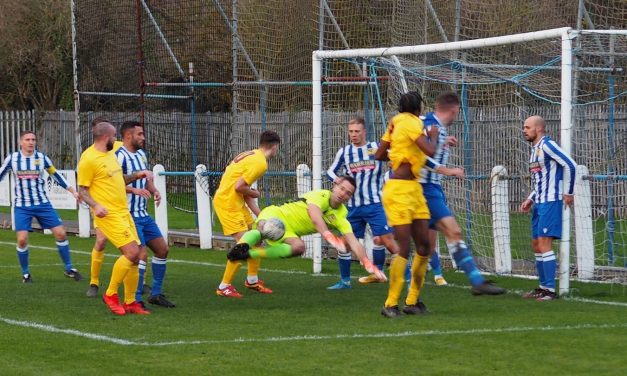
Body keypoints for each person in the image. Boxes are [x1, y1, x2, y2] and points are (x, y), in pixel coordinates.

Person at [415, 91, 506, 295]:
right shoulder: (429, 125)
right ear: (455, 110)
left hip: (430, 189)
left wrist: (444, 143)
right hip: (424, 189)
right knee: (451, 232)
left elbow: (430, 147)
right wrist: (450, 170)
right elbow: (419, 157)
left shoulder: (436, 127)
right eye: (458, 112)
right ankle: (476, 280)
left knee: (428, 244)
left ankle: (474, 281)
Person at [226, 176, 386, 284]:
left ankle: (248, 254)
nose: (343, 194)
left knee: (299, 247)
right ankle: (241, 247)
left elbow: (354, 243)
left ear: (350, 197)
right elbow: (315, 215)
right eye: (342, 188)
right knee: (265, 228)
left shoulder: (342, 215)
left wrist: (369, 265)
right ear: (335, 185)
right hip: (276, 213)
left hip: (289, 231)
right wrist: (329, 236)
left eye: (348, 193)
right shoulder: (321, 195)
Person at [88, 121, 175, 308]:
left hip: (142, 212)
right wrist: (134, 188)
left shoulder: (141, 155)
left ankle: (156, 294)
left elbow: (145, 178)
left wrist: (153, 190)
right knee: (139, 253)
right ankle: (134, 298)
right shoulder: (118, 156)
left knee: (162, 249)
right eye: (140, 134)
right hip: (127, 212)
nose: (143, 138)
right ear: (129, 135)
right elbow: (115, 183)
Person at [374, 91, 439, 318]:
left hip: (414, 189)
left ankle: (412, 301)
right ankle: (390, 304)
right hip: (398, 191)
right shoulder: (412, 123)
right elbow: (430, 150)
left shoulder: (395, 122)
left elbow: (380, 153)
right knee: (405, 246)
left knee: (424, 245)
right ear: (418, 108)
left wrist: (398, 152)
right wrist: (433, 135)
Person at [77, 121, 152, 315]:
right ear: (105, 138)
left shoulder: (111, 153)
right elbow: (82, 191)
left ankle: (130, 301)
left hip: (124, 211)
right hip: (108, 215)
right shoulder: (88, 159)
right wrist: (96, 205)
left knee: (136, 257)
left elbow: (120, 179)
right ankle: (110, 294)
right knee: (132, 253)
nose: (116, 139)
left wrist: (138, 175)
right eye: (113, 136)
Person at [0, 130, 83, 283]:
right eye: (27, 139)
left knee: (61, 234)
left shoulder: (41, 158)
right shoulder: (12, 159)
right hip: (22, 206)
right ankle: (26, 274)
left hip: (42, 204)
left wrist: (73, 191)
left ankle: (69, 268)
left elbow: (55, 175)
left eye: (33, 139)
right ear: (21, 142)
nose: (31, 142)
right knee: (22, 240)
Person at [325, 117, 395, 289]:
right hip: (352, 207)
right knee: (345, 244)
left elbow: (394, 160)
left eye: (357, 131)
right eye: (351, 131)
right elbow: (330, 171)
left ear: (364, 132)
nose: (353, 135)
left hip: (375, 204)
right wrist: (339, 180)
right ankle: (345, 281)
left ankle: (386, 273)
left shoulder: (376, 148)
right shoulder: (345, 152)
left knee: (384, 239)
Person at [214, 130, 281, 298]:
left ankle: (252, 280)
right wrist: (254, 193)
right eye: (277, 148)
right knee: (243, 246)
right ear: (274, 147)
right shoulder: (260, 163)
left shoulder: (252, 154)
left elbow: (242, 190)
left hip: (236, 202)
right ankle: (224, 286)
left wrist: (261, 216)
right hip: (228, 204)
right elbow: (239, 187)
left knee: (256, 238)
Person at [520, 115, 576, 301]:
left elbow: (570, 165)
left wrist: (568, 193)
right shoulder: (534, 149)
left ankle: (550, 291)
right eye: (524, 127)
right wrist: (530, 198)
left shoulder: (547, 145)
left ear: (539, 129)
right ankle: (543, 287)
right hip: (539, 202)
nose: (524, 130)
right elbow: (540, 180)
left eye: (527, 127)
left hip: (551, 202)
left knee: (544, 244)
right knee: (536, 245)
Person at [85, 116, 124, 298]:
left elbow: (130, 147)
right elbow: (84, 186)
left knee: (134, 246)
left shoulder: (116, 146)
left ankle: (139, 284)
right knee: (101, 241)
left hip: (121, 206)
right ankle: (94, 281)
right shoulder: (89, 156)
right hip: (102, 208)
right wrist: (94, 204)